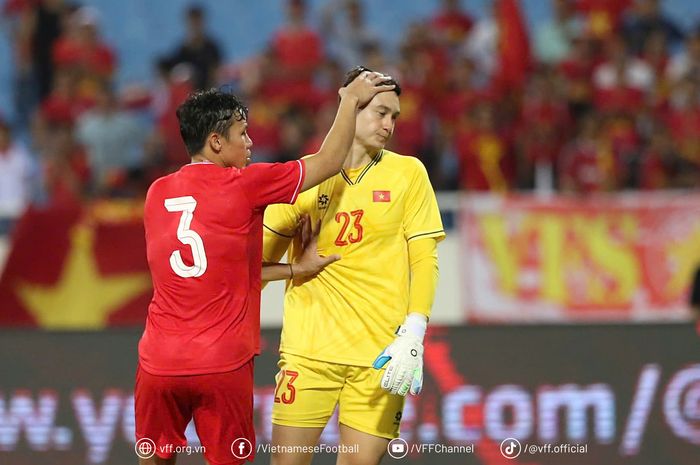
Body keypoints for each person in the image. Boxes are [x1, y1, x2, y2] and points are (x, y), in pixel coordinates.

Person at [135, 70, 395, 465]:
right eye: (242, 133)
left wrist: (294, 269)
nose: (251, 141)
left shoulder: (156, 194)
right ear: (216, 141)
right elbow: (327, 162)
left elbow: (214, 270)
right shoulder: (244, 184)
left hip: (157, 364)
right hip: (221, 364)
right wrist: (348, 100)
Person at [262, 66, 444, 465]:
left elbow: (424, 258)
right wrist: (295, 270)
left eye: (394, 116)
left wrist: (414, 333)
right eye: (380, 112)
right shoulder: (304, 178)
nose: (389, 125)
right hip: (309, 355)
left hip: (381, 358)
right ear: (351, 109)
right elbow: (249, 268)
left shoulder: (409, 174)